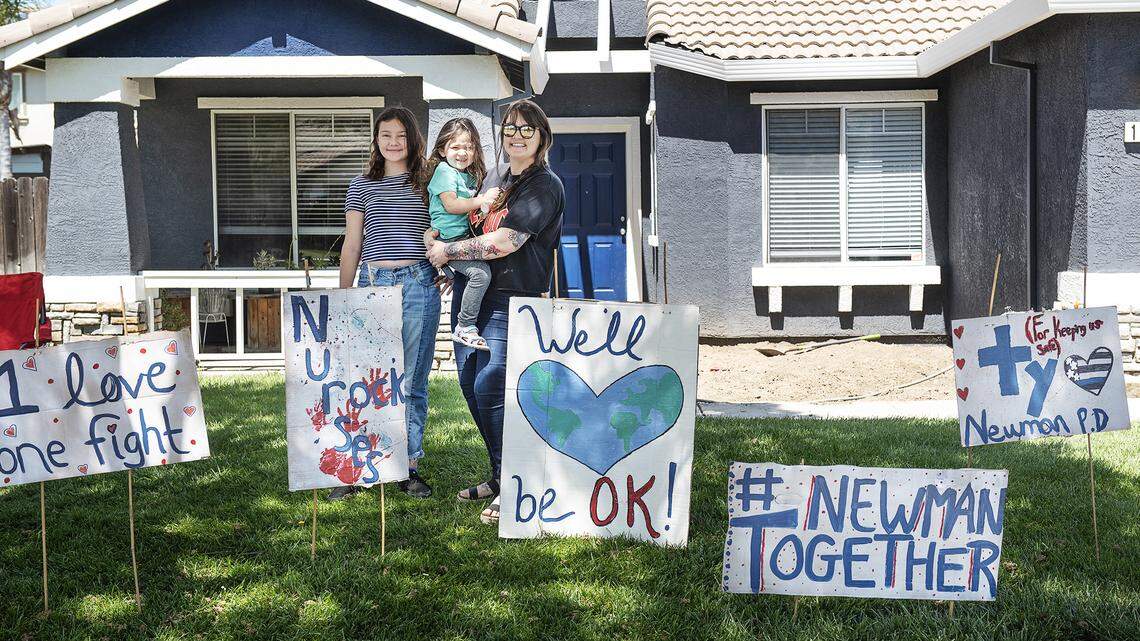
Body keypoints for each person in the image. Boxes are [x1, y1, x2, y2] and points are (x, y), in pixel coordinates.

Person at [425, 99, 565, 524]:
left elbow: (505, 242)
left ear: (542, 138)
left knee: (494, 385)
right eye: (510, 128)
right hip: (474, 292)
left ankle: (516, 482)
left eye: (527, 129)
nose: (516, 135)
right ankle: (499, 475)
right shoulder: (497, 176)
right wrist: (454, 264)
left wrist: (445, 251)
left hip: (512, 300)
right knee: (470, 383)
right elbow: (472, 225)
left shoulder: (543, 184)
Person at [335, 106, 440, 499]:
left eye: (401, 135)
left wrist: (451, 261)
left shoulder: (428, 182)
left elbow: (446, 227)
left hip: (417, 286)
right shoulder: (360, 185)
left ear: (412, 139)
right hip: (371, 285)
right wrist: (344, 295)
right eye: (385, 135)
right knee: (366, 380)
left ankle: (406, 466)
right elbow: (352, 243)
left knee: (410, 382)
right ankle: (360, 463)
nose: (394, 142)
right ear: (376, 140)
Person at [425, 117, 500, 351]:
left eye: (468, 147)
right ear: (442, 149)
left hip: (459, 240)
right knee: (480, 275)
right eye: (455, 147)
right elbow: (452, 205)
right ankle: (465, 326)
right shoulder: (445, 171)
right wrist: (482, 200)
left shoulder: (467, 175)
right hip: (448, 240)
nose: (462, 152)